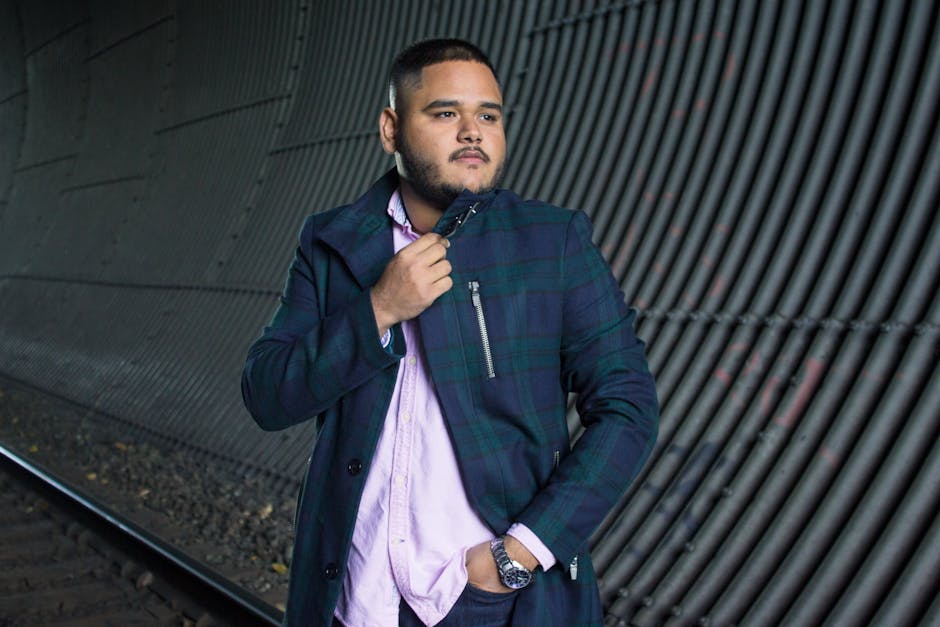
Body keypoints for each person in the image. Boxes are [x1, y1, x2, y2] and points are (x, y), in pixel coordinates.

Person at [241, 38, 658, 627]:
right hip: (355, 597)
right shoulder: (333, 241)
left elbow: (628, 408)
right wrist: (378, 310)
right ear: (391, 129)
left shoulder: (550, 243)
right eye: (445, 113)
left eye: (488, 114)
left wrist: (517, 557)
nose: (473, 132)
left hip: (491, 600)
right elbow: (266, 395)